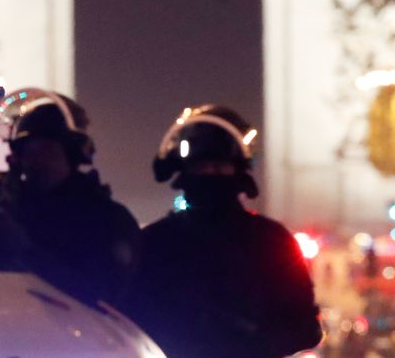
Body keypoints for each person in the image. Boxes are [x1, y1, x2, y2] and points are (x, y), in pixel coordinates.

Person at [126, 105, 323, 358]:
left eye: (219, 167)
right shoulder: (152, 243)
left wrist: (253, 341)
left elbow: (306, 326)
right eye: (202, 167)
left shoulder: (272, 242)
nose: (210, 175)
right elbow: (129, 319)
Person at [0, 88, 140, 307]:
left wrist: (26, 251)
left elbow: (99, 293)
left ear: (73, 155)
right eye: (30, 152)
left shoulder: (106, 220)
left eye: (47, 151)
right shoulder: (8, 210)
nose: (36, 161)